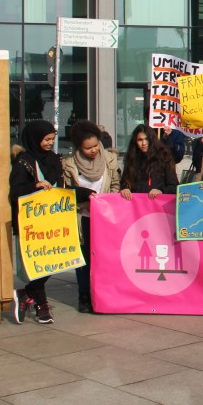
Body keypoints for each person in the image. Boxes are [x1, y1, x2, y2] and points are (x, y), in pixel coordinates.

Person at [62, 120, 121, 313]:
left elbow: (115, 185)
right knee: (84, 259)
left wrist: (107, 203)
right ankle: (84, 296)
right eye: (88, 148)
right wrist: (83, 201)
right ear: (79, 147)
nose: (93, 150)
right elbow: (66, 192)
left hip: (104, 218)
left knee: (105, 258)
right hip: (83, 217)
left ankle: (104, 295)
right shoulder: (69, 164)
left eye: (95, 145)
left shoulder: (110, 160)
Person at [8, 120, 63, 324]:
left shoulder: (54, 160)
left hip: (54, 219)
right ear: (35, 138)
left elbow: (61, 188)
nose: (50, 143)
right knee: (41, 264)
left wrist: (87, 194)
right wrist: (35, 185)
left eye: (52, 139)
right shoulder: (24, 161)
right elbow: (16, 192)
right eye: (46, 139)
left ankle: (26, 292)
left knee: (59, 260)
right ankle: (42, 306)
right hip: (33, 222)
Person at [120, 124, 179, 199]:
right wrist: (125, 189)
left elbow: (174, 186)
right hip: (136, 205)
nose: (144, 143)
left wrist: (161, 190)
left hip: (157, 206)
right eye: (140, 140)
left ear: (151, 139)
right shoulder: (131, 158)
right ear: (135, 141)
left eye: (146, 139)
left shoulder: (164, 157)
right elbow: (124, 182)